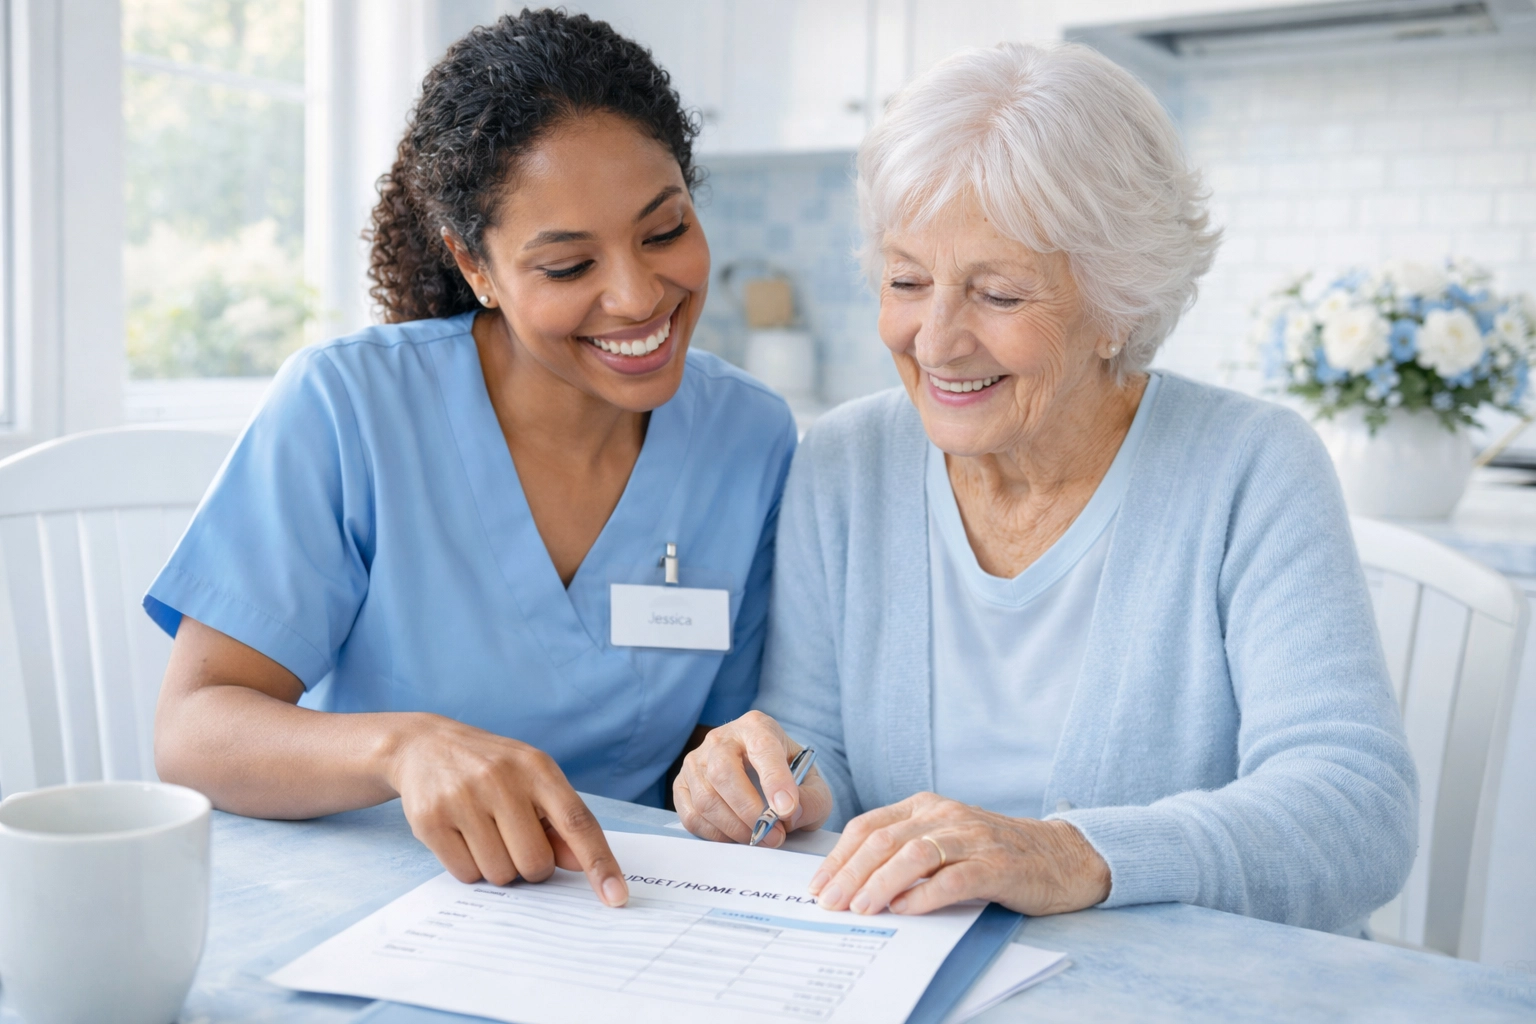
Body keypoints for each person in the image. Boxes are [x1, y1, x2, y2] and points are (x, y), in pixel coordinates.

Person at [675, 41, 1418, 935]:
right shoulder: (843, 462)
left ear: (1118, 307)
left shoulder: (1251, 467)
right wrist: (770, 780)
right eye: (907, 280)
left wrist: (1068, 854)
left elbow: (1356, 812)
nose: (936, 340)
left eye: (998, 294)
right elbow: (818, 747)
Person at [148, 10, 796, 909]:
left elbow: (718, 736)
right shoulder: (349, 409)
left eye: (663, 231)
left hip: (632, 906)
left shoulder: (751, 435)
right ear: (477, 267)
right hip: (381, 892)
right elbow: (192, 730)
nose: (640, 295)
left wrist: (741, 772)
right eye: (568, 267)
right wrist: (403, 748)